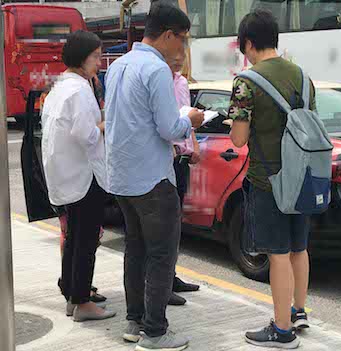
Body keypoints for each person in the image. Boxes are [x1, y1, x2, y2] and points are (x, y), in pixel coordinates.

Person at [104, 2, 204, 350]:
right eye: (184, 41)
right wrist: (190, 121)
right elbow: (168, 128)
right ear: (167, 35)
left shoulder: (117, 66)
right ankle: (156, 332)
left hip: (122, 178)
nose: (184, 49)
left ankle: (134, 322)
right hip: (152, 180)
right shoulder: (157, 70)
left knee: (136, 250)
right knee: (162, 254)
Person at [228, 9, 316, 349]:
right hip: (303, 177)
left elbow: (237, 139)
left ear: (249, 43)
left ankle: (282, 332)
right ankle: (298, 311)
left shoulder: (246, 82)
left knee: (277, 254)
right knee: (299, 247)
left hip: (269, 181)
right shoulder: (303, 76)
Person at [41, 30, 116, 322]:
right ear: (82, 58)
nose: (99, 63)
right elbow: (86, 135)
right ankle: (83, 302)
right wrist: (106, 121)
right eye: (96, 57)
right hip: (85, 177)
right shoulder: (80, 90)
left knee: (73, 238)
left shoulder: (59, 87)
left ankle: (72, 296)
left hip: (64, 176)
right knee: (86, 241)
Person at [169, 53, 201, 307]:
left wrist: (194, 145)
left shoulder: (182, 83)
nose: (179, 59)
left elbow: (188, 119)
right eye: (175, 55)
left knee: (176, 219)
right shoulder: (159, 80)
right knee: (164, 224)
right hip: (166, 158)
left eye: (182, 56)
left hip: (183, 157)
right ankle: (161, 283)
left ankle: (171, 275)